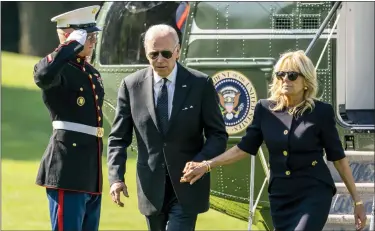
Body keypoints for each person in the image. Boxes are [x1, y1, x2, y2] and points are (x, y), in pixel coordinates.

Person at [181, 50, 367, 231]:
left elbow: (338, 159)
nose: (285, 79)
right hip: (281, 195)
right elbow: (243, 148)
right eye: (281, 75)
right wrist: (207, 164)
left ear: (306, 81)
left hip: (313, 192)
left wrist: (357, 201)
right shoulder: (264, 109)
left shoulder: (321, 112)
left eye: (292, 75)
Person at [107, 24, 228, 231]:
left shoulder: (200, 84)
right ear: (146, 53)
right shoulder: (131, 85)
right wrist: (116, 178)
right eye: (154, 54)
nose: (160, 60)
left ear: (178, 51)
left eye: (166, 53)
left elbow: (218, 135)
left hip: (187, 185)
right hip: (151, 187)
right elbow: (118, 138)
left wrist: (200, 162)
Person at [33, 5, 105, 231]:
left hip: (90, 169)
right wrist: (70, 45)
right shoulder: (58, 69)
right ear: (70, 36)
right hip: (68, 168)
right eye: (88, 36)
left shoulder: (90, 72)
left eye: (94, 35)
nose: (93, 41)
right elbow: (42, 75)